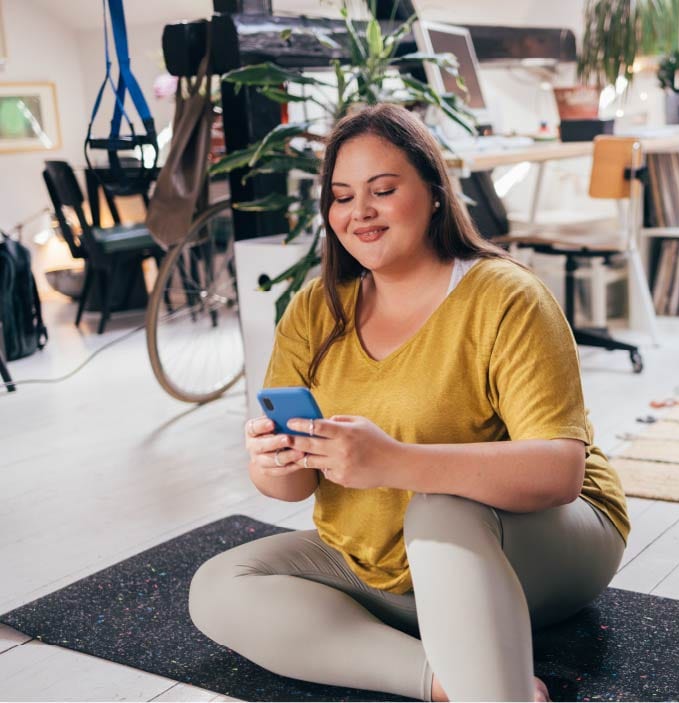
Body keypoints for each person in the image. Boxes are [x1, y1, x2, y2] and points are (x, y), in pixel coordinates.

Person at [189, 103, 629, 702]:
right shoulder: (314, 308)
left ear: (435, 192)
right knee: (220, 585)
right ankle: (447, 679)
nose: (359, 212)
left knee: (439, 510)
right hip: (380, 558)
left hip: (537, 542)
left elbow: (559, 473)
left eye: (383, 189)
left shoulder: (505, 296)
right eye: (341, 196)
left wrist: (392, 460)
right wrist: (272, 465)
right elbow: (294, 491)